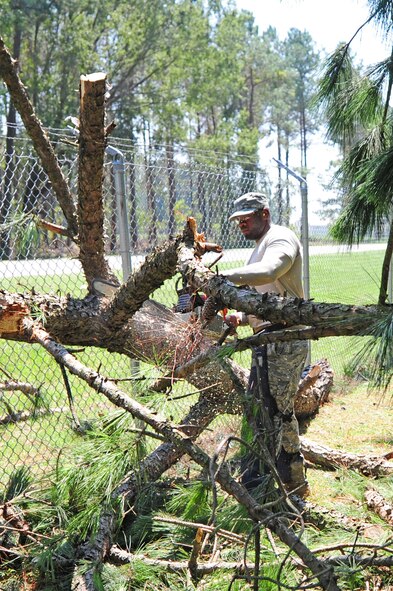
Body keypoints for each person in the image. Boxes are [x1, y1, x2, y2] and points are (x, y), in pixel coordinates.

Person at [222, 191, 309, 497]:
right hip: (268, 336)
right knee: (274, 412)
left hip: (284, 338)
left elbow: (272, 271)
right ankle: (291, 482)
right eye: (239, 220)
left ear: (265, 213)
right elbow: (266, 297)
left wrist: (223, 277)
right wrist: (240, 318)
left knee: (269, 413)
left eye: (247, 218)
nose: (242, 224)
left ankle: (264, 488)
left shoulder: (280, 238)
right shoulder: (259, 246)